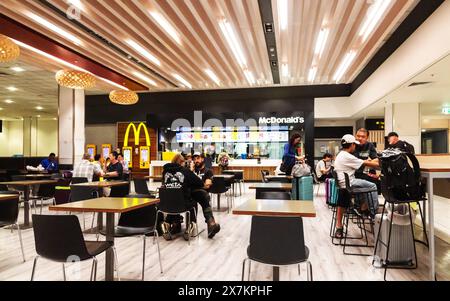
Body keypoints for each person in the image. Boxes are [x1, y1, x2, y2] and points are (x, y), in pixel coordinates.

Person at [161, 153, 220, 241]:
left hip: (166, 204)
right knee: (197, 199)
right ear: (181, 162)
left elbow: (164, 185)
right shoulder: (185, 171)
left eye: (198, 158)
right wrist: (190, 172)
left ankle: (169, 223)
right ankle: (196, 225)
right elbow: (200, 183)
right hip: (183, 202)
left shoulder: (165, 172)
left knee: (192, 195)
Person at [333, 135, 380, 239]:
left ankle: (362, 208)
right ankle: (374, 215)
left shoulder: (341, 154)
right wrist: (374, 161)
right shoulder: (347, 156)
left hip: (343, 185)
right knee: (373, 186)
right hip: (350, 184)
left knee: (365, 185)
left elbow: (363, 163)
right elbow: (372, 164)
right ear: (352, 145)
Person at [354, 128, 381, 193]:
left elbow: (376, 160)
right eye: (358, 136)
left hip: (360, 173)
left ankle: (369, 202)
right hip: (352, 174)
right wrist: (367, 162)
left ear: (367, 137)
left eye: (363, 137)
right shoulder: (351, 145)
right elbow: (355, 162)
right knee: (373, 184)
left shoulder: (370, 145)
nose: (360, 138)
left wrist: (366, 162)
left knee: (379, 183)